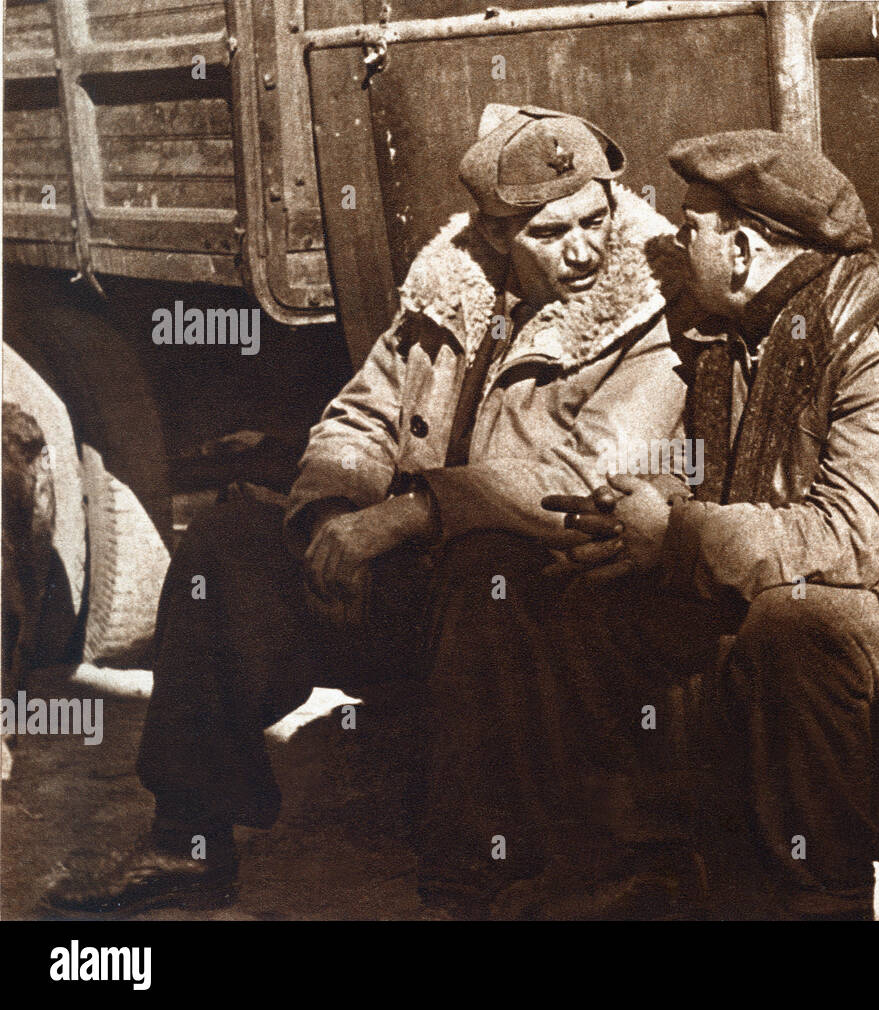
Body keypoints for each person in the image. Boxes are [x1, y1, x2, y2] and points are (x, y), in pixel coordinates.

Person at [45, 105, 686, 918]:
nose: (585, 248)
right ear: (493, 238)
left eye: (596, 219)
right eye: (551, 232)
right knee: (228, 542)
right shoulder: (448, 292)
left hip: (548, 615)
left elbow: (586, 476)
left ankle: (467, 883)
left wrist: (412, 515)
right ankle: (187, 838)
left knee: (489, 572)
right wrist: (328, 519)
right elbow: (361, 417)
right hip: (419, 589)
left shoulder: (646, 317)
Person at [549, 130, 879, 919]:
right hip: (827, 582)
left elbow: (849, 538)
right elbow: (722, 478)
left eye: (691, 226)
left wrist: (675, 536)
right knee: (591, 592)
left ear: (739, 250)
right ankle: (660, 875)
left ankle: (818, 898)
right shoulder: (735, 330)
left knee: (796, 628)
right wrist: (640, 509)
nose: (672, 239)